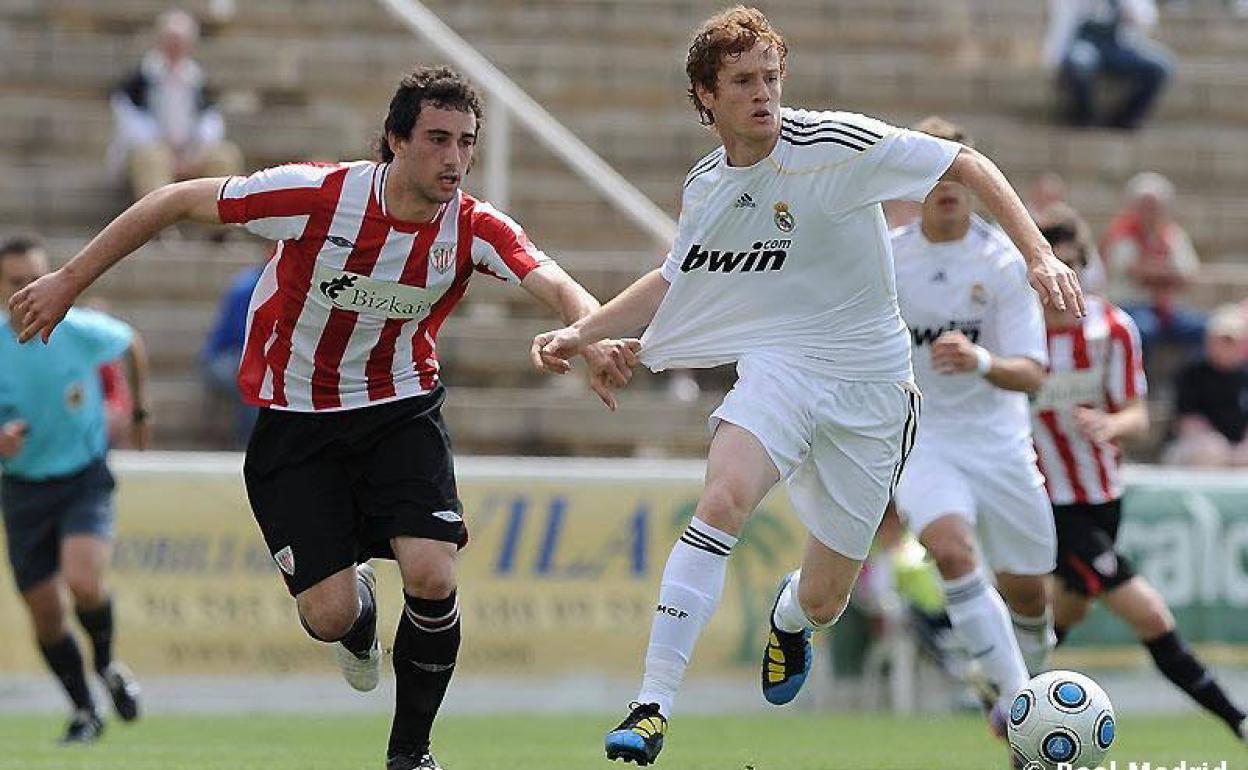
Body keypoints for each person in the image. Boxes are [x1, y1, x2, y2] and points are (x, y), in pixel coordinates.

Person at [9, 67, 637, 770]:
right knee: (330, 616)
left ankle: (411, 755)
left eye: (465, 142)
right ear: (395, 141)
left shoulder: (471, 226)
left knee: (433, 573)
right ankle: (358, 619)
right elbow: (175, 199)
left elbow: (551, 280)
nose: (454, 159)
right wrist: (68, 280)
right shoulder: (318, 195)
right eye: (436, 139)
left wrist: (592, 333)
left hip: (399, 407)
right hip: (296, 416)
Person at [529, 8, 1083, 765]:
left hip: (874, 392)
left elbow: (967, 166)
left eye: (772, 78)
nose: (765, 94)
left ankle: (790, 620)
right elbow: (673, 279)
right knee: (721, 501)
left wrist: (1040, 257)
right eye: (745, 82)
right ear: (705, 97)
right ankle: (652, 703)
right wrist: (582, 332)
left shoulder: (833, 143)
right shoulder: (707, 184)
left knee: (827, 598)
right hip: (780, 368)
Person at [1031, 204, 1248, 744]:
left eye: (1071, 269)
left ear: (1084, 270)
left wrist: (1109, 424)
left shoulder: (1113, 328)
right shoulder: (1016, 333)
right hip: (1047, 497)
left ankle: (1003, 690)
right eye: (1049, 269)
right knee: (1147, 612)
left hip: (1104, 492)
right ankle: (1237, 719)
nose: (1061, 284)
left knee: (1068, 610)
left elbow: (1137, 413)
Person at [891, 117, 1056, 728]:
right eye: (933, 173)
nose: (947, 185)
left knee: (1029, 596)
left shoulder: (1003, 262)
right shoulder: (886, 261)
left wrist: (979, 359)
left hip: (998, 441)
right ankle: (1018, 703)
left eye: (958, 172)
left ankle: (1031, 673)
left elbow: (1035, 373)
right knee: (952, 551)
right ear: (915, 181)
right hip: (923, 438)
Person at [0, 235, 150, 744]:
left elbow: (131, 341)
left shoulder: (79, 330)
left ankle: (107, 665)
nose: (28, 291)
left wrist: (141, 411)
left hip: (83, 477)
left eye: (35, 279)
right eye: (16, 282)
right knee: (45, 613)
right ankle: (85, 709)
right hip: (23, 488)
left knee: (84, 582)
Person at [108, 9, 243, 199]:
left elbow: (210, 120)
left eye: (181, 41)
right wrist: (167, 153)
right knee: (152, 158)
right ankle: (160, 224)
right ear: (159, 41)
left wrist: (197, 150)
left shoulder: (198, 80)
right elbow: (132, 125)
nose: (175, 46)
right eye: (171, 39)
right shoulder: (139, 80)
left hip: (190, 152)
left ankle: (216, 225)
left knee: (225, 155)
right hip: (152, 151)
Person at [1102, 172, 1205, 359]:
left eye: (1154, 207)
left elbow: (1188, 273)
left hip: (1167, 309)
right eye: (1144, 206)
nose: (1150, 212)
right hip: (1131, 305)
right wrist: (1166, 273)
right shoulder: (1121, 233)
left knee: (1207, 329)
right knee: (1144, 329)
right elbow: (1135, 271)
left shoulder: (1172, 234)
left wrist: (1155, 271)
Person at [1043, 0, 1172, 129]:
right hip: (1085, 45)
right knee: (1080, 62)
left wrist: (1130, 13)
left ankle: (1126, 119)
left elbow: (1146, 17)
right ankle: (1083, 116)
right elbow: (1061, 27)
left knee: (1160, 67)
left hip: (1119, 47)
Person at [1163, 305, 1248, 467]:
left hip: (1236, 449)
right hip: (1192, 446)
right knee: (1211, 451)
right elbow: (1187, 421)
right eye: (1221, 340)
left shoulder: (1245, 375)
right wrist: (1223, 449)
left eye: (1230, 341)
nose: (1225, 346)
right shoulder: (1191, 372)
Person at [199, 257, 263, 447]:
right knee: (253, 381)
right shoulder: (248, 286)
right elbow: (245, 337)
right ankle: (249, 444)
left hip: (249, 357)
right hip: (222, 358)